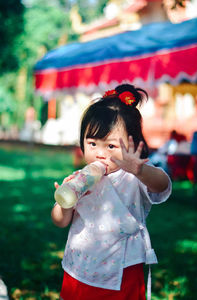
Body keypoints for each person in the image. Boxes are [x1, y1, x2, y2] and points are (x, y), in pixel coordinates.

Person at [51, 84, 172, 300]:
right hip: (80, 265)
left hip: (123, 268)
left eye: (111, 147)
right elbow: (60, 221)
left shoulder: (134, 177)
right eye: (92, 143)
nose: (99, 154)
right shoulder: (80, 179)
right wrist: (63, 204)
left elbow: (162, 185)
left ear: (134, 146)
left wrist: (140, 170)